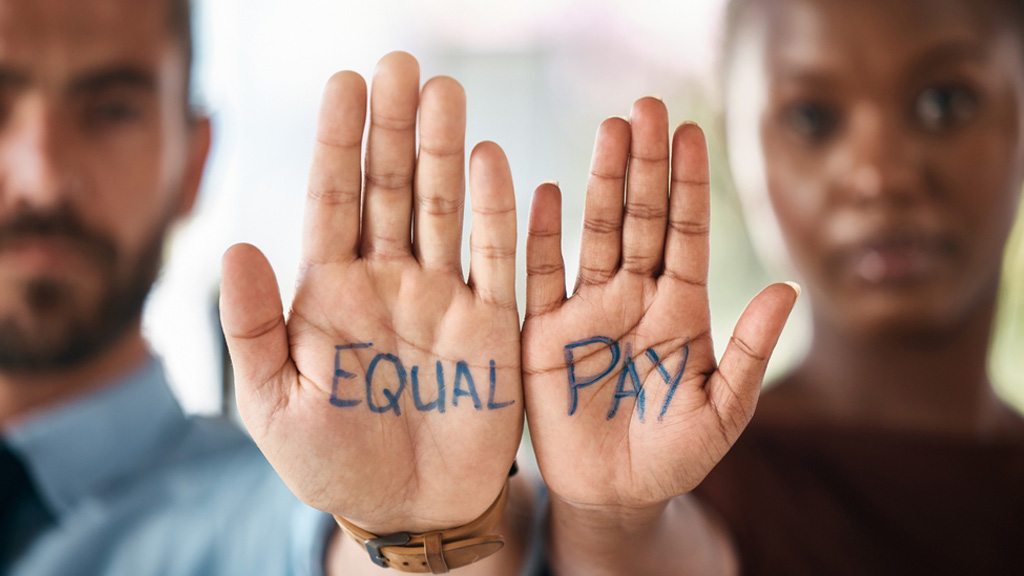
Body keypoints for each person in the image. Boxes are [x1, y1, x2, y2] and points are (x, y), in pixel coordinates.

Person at [0, 0, 531, 574]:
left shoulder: (269, 507)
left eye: (111, 111)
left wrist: (423, 531)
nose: (43, 178)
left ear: (193, 162)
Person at [524, 0, 1024, 574]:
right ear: (736, 144)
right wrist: (611, 526)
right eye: (811, 117)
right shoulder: (689, 478)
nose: (881, 174)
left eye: (944, 104)